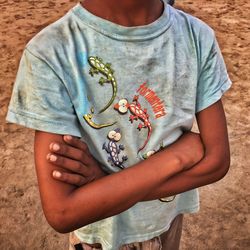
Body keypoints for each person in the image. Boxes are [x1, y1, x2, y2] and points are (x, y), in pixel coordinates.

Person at [6, 0, 232, 249]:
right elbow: (62, 211)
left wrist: (103, 183)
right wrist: (176, 158)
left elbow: (216, 162)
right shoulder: (50, 53)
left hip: (168, 222)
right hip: (101, 239)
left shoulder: (196, 37)